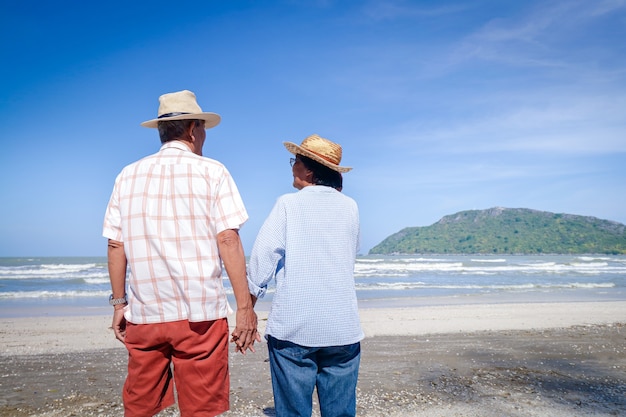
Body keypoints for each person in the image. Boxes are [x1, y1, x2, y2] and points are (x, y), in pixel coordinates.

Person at [102, 89, 259, 417]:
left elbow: (116, 244)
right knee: (201, 410)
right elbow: (228, 239)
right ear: (192, 130)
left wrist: (119, 304)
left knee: (141, 406)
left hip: (145, 315)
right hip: (199, 316)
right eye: (202, 129)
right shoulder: (212, 171)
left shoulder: (127, 175)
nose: (204, 136)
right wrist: (245, 308)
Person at [248, 134, 364, 417]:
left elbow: (262, 259)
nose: (292, 167)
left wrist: (246, 308)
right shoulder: (350, 207)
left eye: (295, 161)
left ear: (309, 170)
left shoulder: (288, 204)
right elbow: (350, 252)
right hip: (342, 327)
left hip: (295, 327)